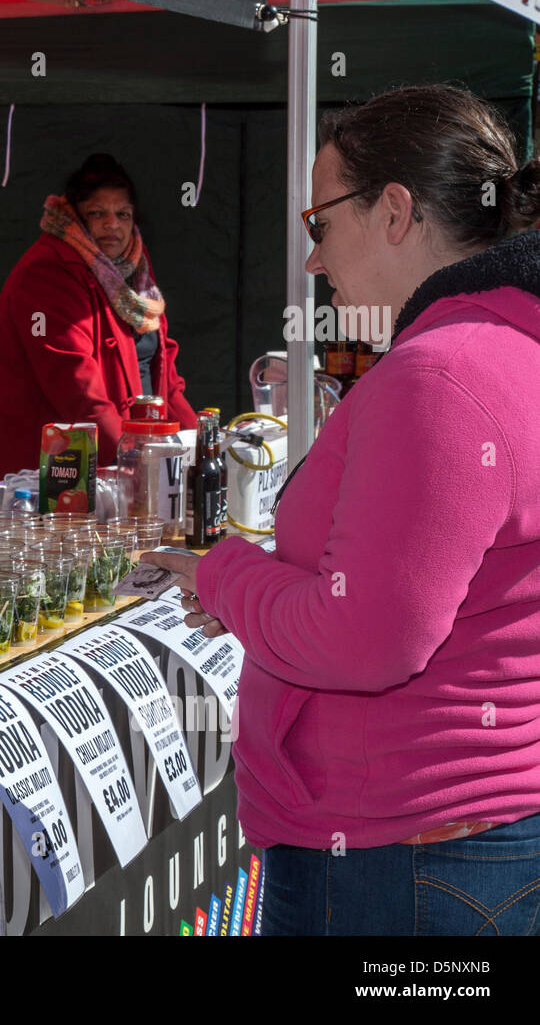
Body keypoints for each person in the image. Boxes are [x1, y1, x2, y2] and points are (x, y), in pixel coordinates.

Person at [146, 84, 540, 936]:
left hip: (400, 861)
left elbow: (369, 640)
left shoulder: (440, 375)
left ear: (395, 212)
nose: (315, 261)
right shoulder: (507, 343)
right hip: (453, 847)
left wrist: (228, 578)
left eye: (320, 223)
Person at [0, 154, 197, 478]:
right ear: (75, 217)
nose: (112, 224)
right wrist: (138, 465)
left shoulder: (133, 266)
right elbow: (79, 390)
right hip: (43, 473)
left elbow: (164, 374)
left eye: (123, 214)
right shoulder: (48, 270)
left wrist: (196, 446)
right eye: (97, 213)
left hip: (126, 457)